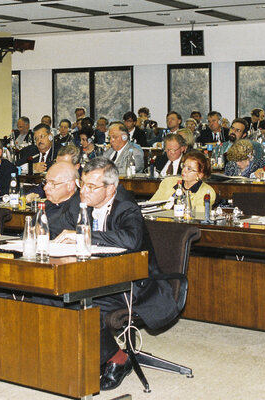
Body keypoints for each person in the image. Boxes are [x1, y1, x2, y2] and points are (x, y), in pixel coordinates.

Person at [72, 158, 178, 390]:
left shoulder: (126, 206)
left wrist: (82, 236)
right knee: (58, 299)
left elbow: (130, 239)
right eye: (82, 184)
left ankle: (118, 359)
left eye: (92, 186)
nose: (84, 191)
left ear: (111, 189)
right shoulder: (84, 203)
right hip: (102, 279)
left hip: (135, 287)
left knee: (83, 308)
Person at [149, 150, 216, 214]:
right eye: (183, 166)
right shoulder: (168, 182)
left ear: (200, 175)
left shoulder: (207, 192)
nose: (184, 170)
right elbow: (151, 205)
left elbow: (199, 215)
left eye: (189, 169)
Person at [43, 161, 81, 238]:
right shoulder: (48, 204)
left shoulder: (77, 205)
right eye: (46, 182)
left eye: (52, 183)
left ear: (70, 185)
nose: (45, 188)